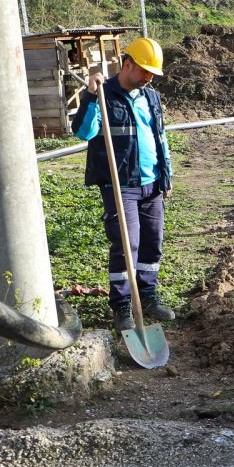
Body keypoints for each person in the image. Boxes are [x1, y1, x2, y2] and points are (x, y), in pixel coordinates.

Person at [70, 37, 176, 332]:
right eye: (145, 71)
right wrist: (92, 96)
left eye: (153, 73)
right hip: (121, 185)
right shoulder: (105, 95)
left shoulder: (151, 97)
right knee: (127, 244)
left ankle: (148, 296)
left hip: (151, 183)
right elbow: (84, 133)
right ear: (127, 65)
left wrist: (165, 175)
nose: (149, 78)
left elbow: (160, 137)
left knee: (152, 244)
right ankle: (121, 305)